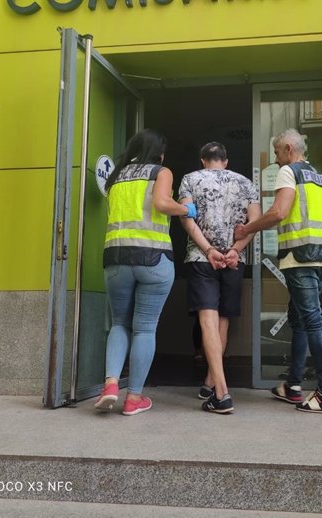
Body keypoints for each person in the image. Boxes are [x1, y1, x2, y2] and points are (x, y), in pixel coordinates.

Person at [234, 129, 322, 415]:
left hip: (299, 258)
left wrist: (246, 229)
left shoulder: (289, 172)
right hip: (320, 259)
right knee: (299, 320)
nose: (275, 159)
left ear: (289, 149)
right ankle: (293, 385)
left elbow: (279, 212)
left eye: (277, 152)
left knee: (313, 322)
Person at [94, 129, 197, 416]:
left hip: (115, 258)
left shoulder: (116, 176)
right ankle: (134, 398)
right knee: (144, 328)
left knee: (119, 323)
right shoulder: (160, 171)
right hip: (152, 258)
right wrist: (186, 209)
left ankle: (111, 384)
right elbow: (162, 204)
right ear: (158, 152)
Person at [179, 142, 261, 414]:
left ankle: (222, 393)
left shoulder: (190, 179)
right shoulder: (246, 183)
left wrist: (209, 249)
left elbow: (187, 220)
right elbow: (255, 222)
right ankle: (211, 382)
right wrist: (235, 250)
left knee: (207, 319)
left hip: (202, 257)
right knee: (222, 319)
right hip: (233, 260)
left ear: (204, 160)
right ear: (225, 161)